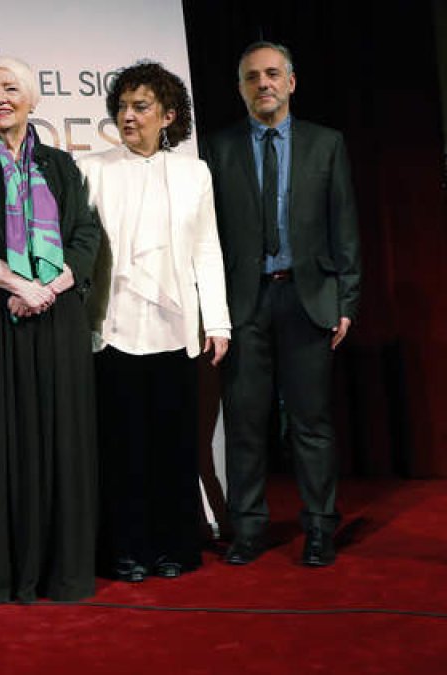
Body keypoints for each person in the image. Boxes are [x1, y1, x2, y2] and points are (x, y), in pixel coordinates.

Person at [0, 56, 101, 603]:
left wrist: (46, 289)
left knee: (62, 444)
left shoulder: (60, 166)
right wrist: (15, 285)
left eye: (10, 89)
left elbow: (85, 237)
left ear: (32, 100)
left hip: (57, 322)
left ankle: (62, 572)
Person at [203, 41, 361, 567]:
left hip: (309, 298)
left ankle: (320, 527)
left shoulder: (326, 143)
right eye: (252, 77)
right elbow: (210, 236)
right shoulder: (220, 148)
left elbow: (345, 225)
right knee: (246, 423)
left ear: (291, 81)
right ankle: (248, 529)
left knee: (312, 424)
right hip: (245, 303)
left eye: (272, 74)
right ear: (241, 87)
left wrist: (346, 299)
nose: (263, 83)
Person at [77, 61, 231, 582]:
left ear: (167, 115)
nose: (127, 115)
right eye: (121, 106)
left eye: (140, 107)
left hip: (175, 328)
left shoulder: (195, 172)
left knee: (173, 442)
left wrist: (219, 322)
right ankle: (124, 549)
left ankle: (175, 547)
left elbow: (207, 249)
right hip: (112, 326)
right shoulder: (93, 169)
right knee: (121, 445)